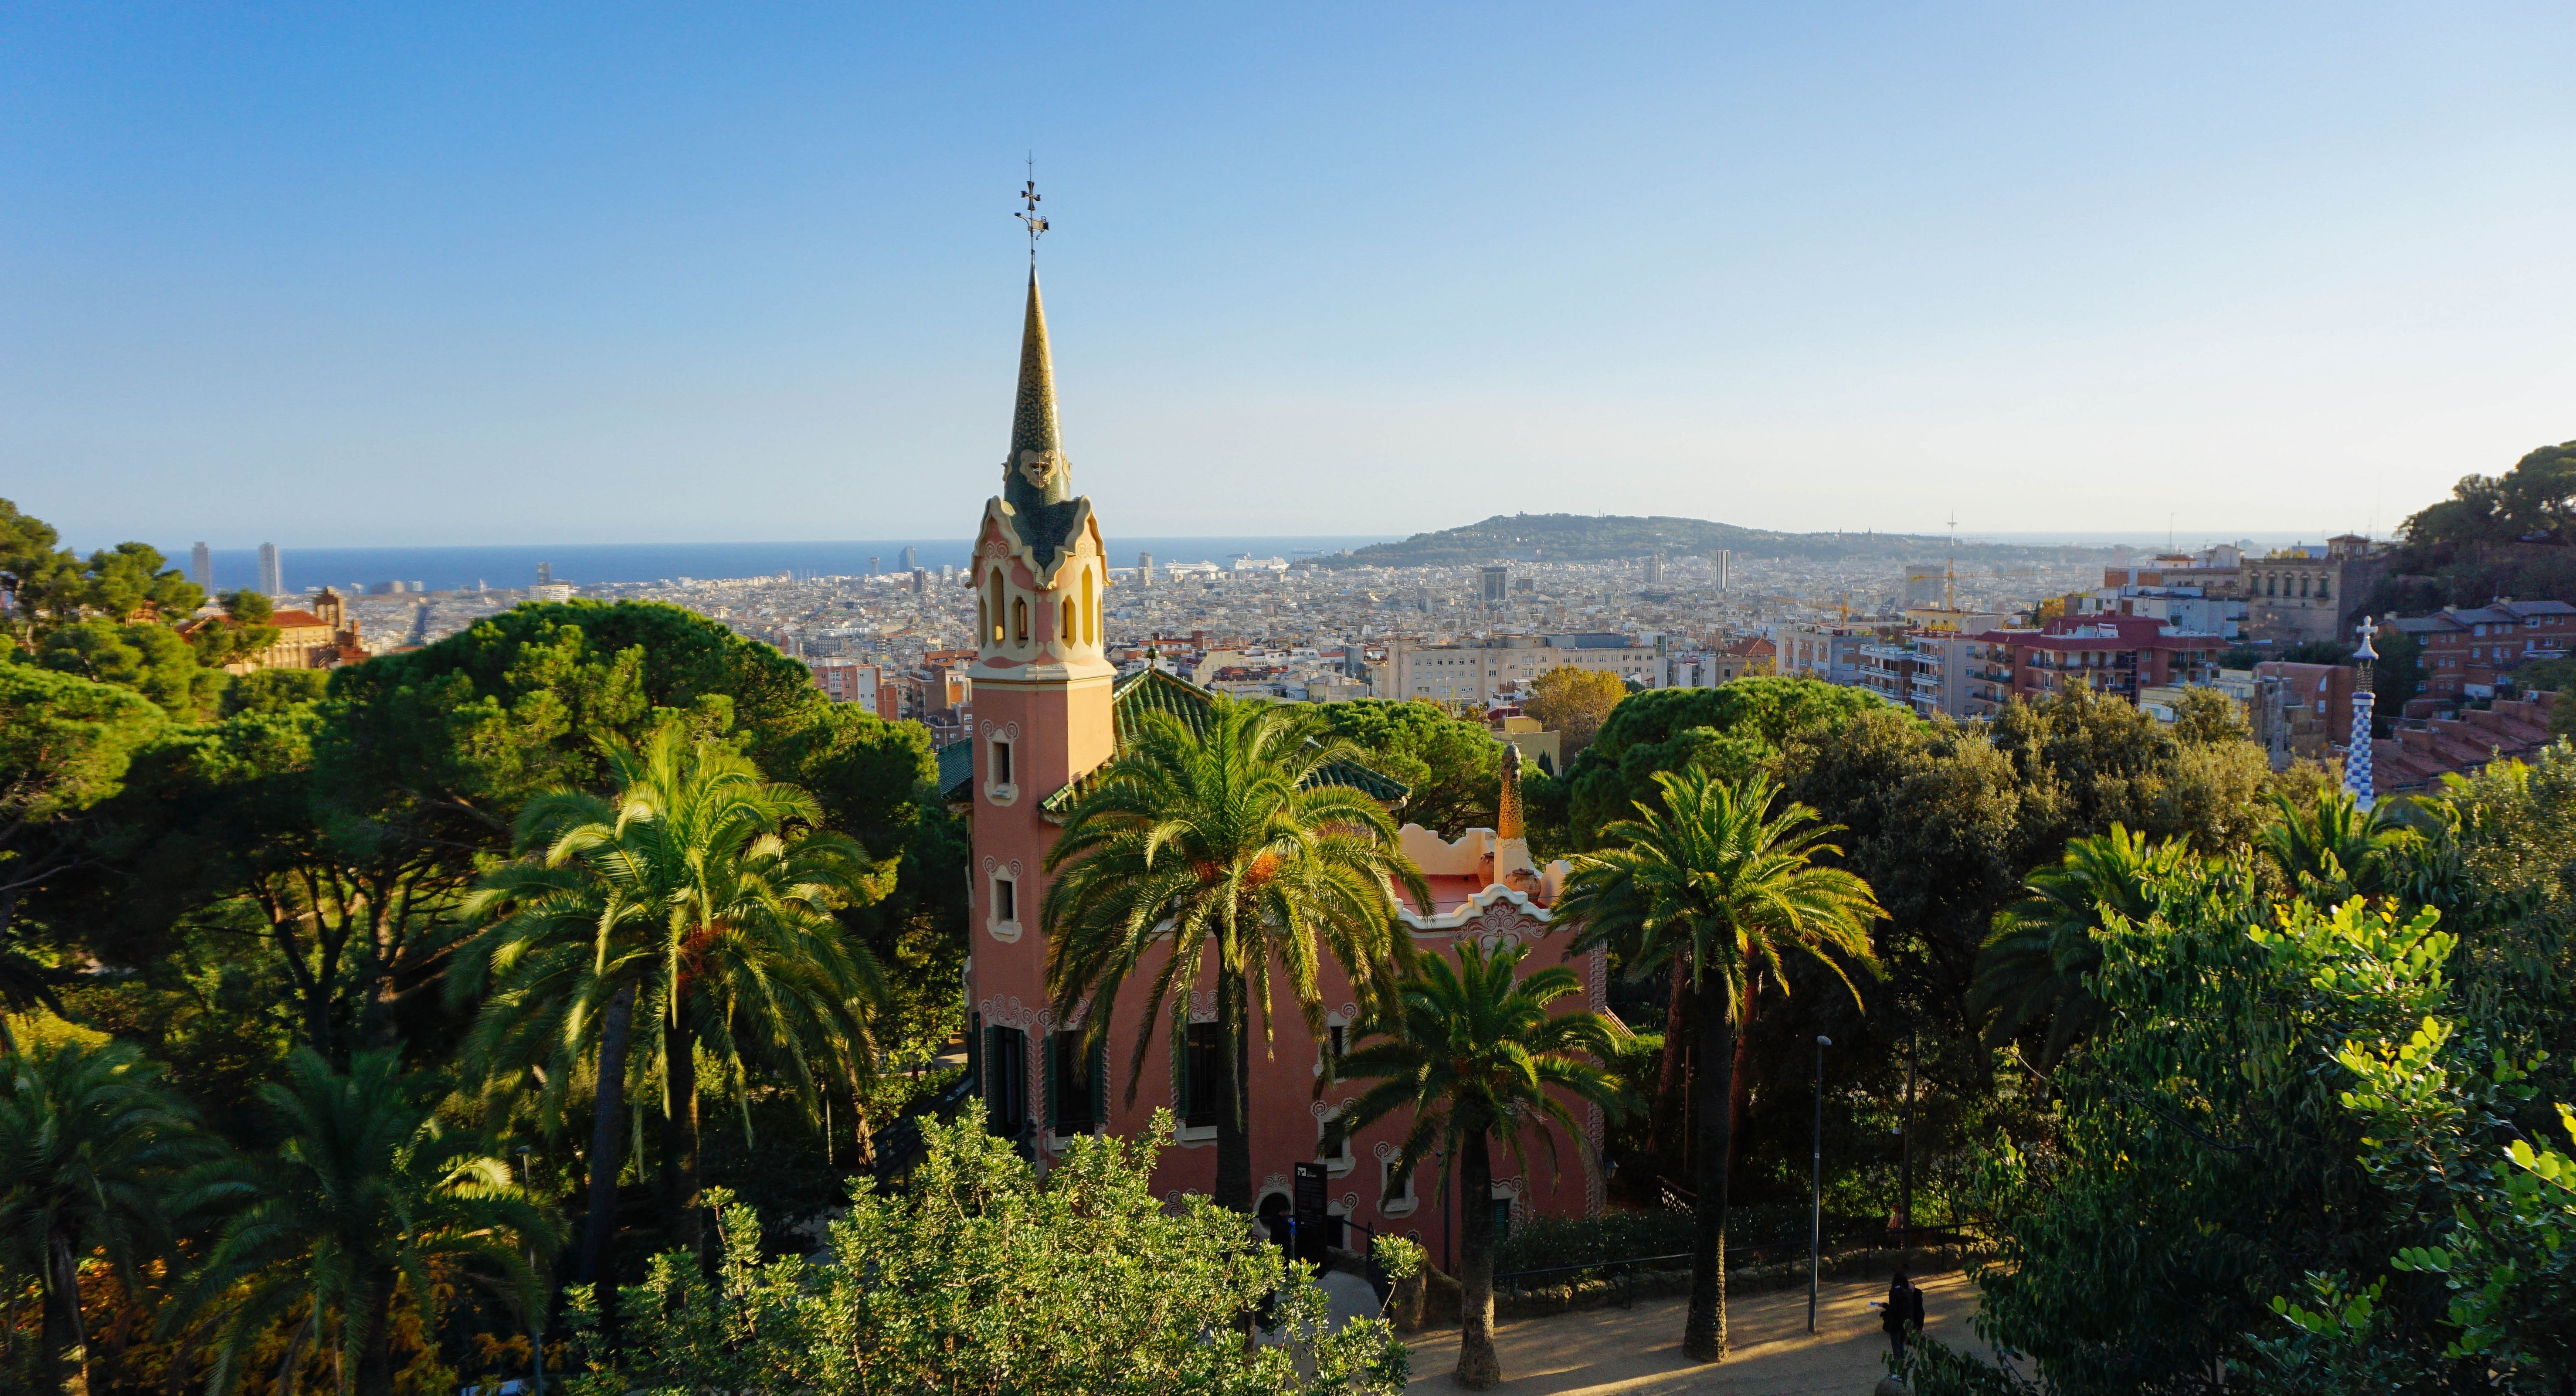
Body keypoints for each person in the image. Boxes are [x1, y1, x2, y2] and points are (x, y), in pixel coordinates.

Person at [1882, 1270, 1925, 1363]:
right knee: (1901, 1342)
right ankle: (1903, 1362)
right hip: (1907, 1321)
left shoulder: (1894, 1292)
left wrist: (1885, 1306)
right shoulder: (1909, 1292)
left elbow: (1894, 1308)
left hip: (1897, 1321)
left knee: (1896, 1344)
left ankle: (1899, 1365)